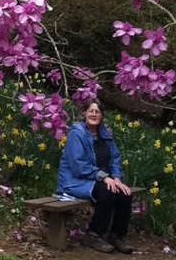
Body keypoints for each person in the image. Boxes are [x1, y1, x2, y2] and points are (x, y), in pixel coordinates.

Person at [56, 99, 134, 253]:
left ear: (102, 116)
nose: (93, 114)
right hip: (75, 181)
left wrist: (117, 178)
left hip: (100, 179)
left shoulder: (105, 134)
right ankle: (93, 234)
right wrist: (104, 177)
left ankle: (116, 235)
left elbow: (115, 158)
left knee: (125, 194)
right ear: (84, 113)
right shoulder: (76, 133)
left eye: (97, 111)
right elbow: (78, 165)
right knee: (108, 191)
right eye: (90, 111)